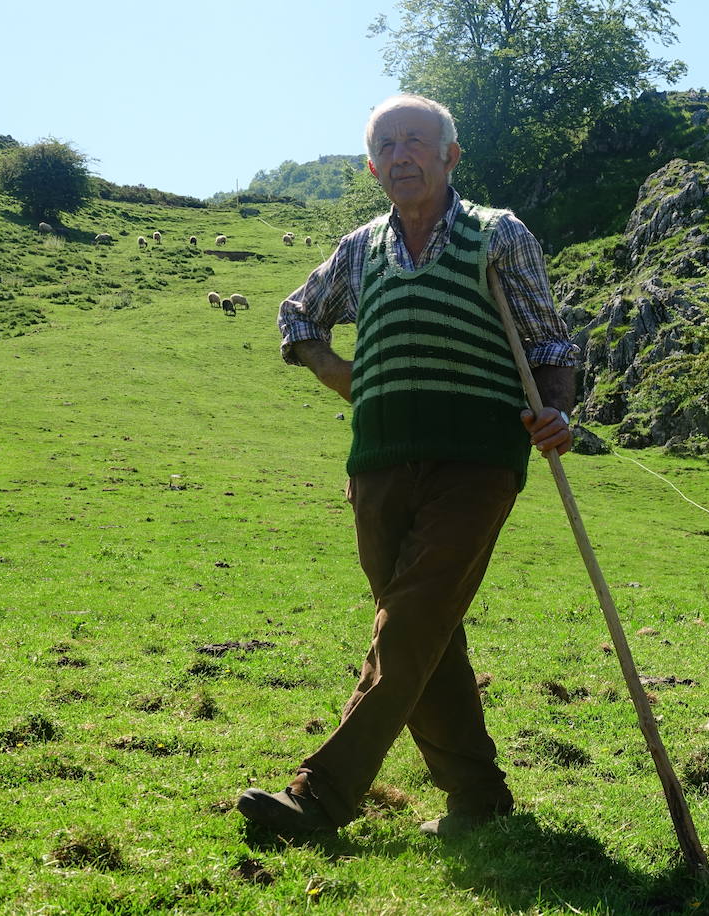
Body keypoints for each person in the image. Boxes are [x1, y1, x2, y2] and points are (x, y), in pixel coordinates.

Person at [237, 94, 578, 837]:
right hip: (378, 464)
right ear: (370, 165)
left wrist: (555, 408)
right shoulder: (360, 248)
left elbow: (550, 342)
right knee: (425, 632)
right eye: (387, 145)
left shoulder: (497, 234)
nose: (402, 155)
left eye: (418, 142)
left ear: (450, 156)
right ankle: (479, 799)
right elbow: (296, 316)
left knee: (410, 621)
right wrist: (337, 372)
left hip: (478, 459)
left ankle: (321, 797)